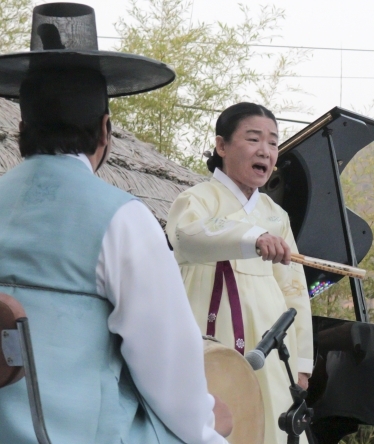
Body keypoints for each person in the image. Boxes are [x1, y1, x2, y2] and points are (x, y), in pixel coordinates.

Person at [0, 3, 229, 443]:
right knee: (220, 416)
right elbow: (169, 370)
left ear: (22, 127)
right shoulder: (121, 218)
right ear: (106, 131)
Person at [166, 102, 314, 444]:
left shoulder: (276, 215)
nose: (266, 150)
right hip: (210, 335)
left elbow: (294, 291)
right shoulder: (196, 199)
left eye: (274, 143)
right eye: (253, 139)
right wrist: (253, 237)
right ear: (221, 146)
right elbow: (186, 237)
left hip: (270, 343)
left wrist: (303, 360)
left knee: (271, 427)